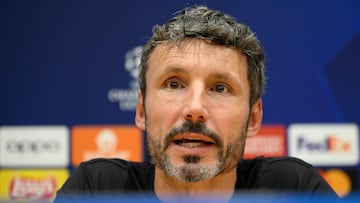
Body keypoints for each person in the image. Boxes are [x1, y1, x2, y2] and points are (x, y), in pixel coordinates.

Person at [55, 5, 337, 202]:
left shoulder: (293, 191)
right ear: (141, 110)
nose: (195, 108)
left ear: (253, 118)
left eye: (220, 88)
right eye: (174, 84)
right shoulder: (97, 191)